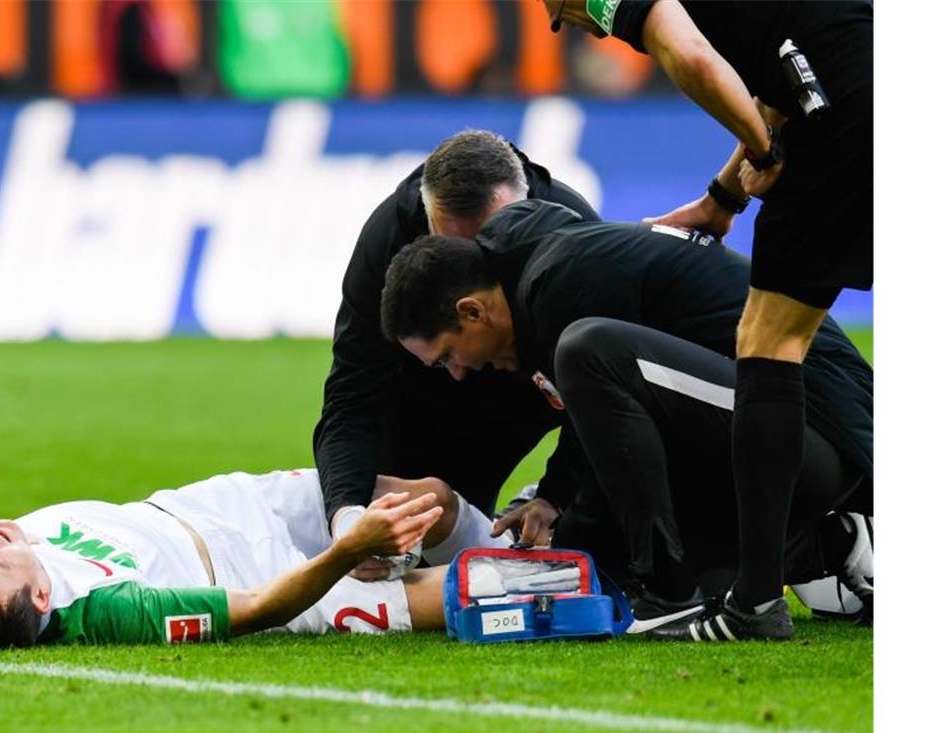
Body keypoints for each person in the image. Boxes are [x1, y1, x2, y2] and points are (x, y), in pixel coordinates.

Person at [380, 199, 872, 638]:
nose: (459, 374)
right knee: (628, 564)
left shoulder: (560, 278)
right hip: (789, 443)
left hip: (815, 435)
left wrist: (571, 538)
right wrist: (554, 497)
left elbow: (600, 398)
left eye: (447, 356)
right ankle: (830, 545)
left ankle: (670, 597)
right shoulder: (540, 267)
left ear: (471, 312)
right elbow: (603, 427)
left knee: (586, 351)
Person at [540, 1, 872, 638]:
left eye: (563, 14)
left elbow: (689, 56)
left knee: (767, 343)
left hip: (845, 117)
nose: (577, 26)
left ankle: (754, 602)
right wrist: (724, 198)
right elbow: (787, 71)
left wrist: (761, 149)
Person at [0, 392, 512, 648]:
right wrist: (349, 552)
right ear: (42, 595)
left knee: (429, 498)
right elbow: (259, 607)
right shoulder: (105, 612)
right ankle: (568, 579)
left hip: (211, 505)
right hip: (258, 574)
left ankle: (517, 536)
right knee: (446, 597)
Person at [314, 129, 600, 573]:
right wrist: (348, 518)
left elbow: (601, 395)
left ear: (525, 207)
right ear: (426, 220)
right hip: (426, 390)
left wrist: (556, 493)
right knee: (412, 537)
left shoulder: (570, 231)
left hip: (532, 387)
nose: (474, 269)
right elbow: (352, 398)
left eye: (496, 243)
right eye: (456, 248)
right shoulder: (388, 241)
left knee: (592, 529)